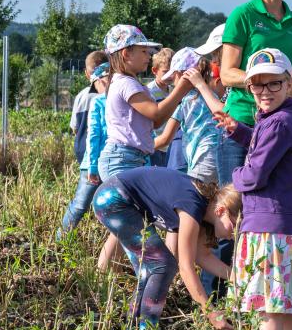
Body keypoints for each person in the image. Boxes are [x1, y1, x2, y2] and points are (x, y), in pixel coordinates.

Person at [215, 48, 292, 330]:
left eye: (273, 84)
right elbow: (263, 142)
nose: (264, 92)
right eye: (257, 85)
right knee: (286, 308)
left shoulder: (279, 122)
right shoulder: (277, 119)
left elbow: (254, 174)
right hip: (284, 226)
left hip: (270, 228)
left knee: (269, 311)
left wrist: (235, 177)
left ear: (288, 83)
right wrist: (238, 131)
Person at [92, 166, 239, 330]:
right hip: (113, 198)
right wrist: (210, 311)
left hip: (117, 199)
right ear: (221, 210)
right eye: (235, 225)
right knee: (163, 264)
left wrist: (238, 277)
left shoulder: (203, 212)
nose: (234, 234)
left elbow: (202, 257)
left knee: (150, 271)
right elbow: (186, 267)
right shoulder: (193, 205)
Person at [96, 24, 192, 271]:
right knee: (137, 232)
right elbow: (156, 116)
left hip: (128, 158)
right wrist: (181, 89)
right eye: (143, 51)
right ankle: (149, 277)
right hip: (123, 159)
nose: (149, 56)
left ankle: (105, 276)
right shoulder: (127, 84)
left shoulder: (125, 82)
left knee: (126, 224)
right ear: (126, 53)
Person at [217, 0, 292, 187]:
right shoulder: (242, 15)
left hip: (278, 125)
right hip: (242, 119)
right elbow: (226, 73)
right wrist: (264, 81)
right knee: (233, 200)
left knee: (273, 198)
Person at [153, 47, 225, 294]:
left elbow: (163, 140)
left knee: (184, 227)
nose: (172, 82)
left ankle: (173, 280)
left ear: (185, 74)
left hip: (203, 171)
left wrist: (138, 145)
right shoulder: (214, 93)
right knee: (205, 238)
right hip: (214, 167)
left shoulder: (185, 100)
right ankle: (222, 283)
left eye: (175, 76)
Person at [58, 61, 110, 238]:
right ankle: (61, 239)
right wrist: (92, 166)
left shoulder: (121, 101)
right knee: (81, 204)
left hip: (112, 161)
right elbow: (93, 136)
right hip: (93, 161)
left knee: (109, 205)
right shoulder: (98, 102)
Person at [70, 50, 109, 164]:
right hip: (105, 152)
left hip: (83, 152)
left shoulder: (81, 96)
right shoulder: (113, 93)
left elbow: (75, 128)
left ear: (86, 73)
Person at [146, 47, 175, 168]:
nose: (170, 75)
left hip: (171, 144)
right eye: (165, 71)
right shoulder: (148, 91)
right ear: (154, 70)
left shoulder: (173, 90)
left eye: (173, 71)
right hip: (155, 145)